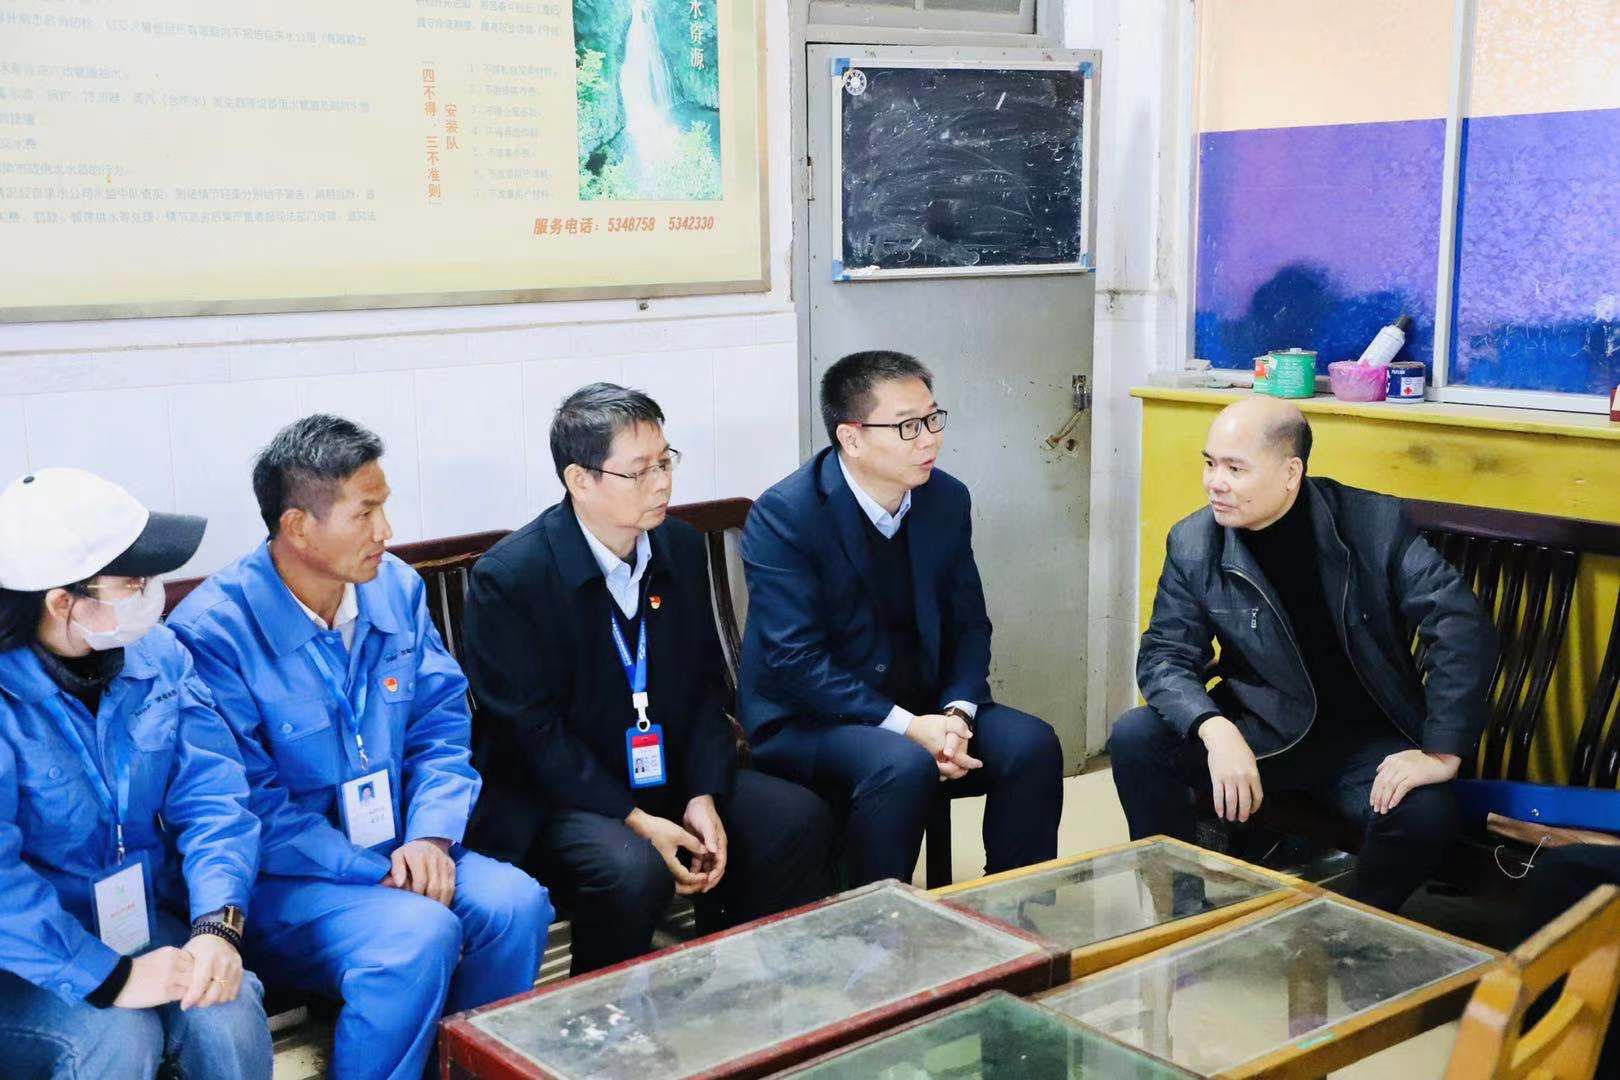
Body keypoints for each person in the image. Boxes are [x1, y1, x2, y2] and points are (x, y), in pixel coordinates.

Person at [168, 416, 551, 1080]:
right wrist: (371, 872)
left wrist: (430, 836)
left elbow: (440, 725)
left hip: (403, 849)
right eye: (365, 513)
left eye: (384, 507)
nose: (386, 531)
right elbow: (247, 806)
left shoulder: (395, 588)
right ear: (298, 527)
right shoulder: (214, 633)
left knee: (515, 905)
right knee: (415, 935)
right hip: (288, 883)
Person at [463, 383, 835, 974]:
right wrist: (636, 819)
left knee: (793, 819)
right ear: (580, 480)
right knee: (631, 868)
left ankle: (741, 983)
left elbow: (706, 688)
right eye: (640, 471)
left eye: (666, 462)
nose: (662, 483)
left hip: (667, 778)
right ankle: (603, 1015)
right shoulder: (512, 578)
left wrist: (702, 793)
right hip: (563, 799)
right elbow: (530, 736)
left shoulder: (676, 547)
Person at [1111, 396, 1496, 912]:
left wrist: (1441, 752)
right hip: (1261, 731)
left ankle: (1350, 931)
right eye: (1210, 463)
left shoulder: (1372, 524)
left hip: (1364, 743)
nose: (1214, 482)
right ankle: (1181, 911)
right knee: (1136, 737)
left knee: (1426, 814)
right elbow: (1164, 655)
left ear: (1290, 473)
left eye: (1234, 468)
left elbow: (1459, 624)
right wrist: (1214, 728)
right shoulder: (1194, 542)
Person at [737, 350, 1064, 887]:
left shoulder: (945, 498)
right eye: (908, 426)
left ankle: (1011, 911)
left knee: (1031, 745)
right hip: (809, 720)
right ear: (851, 438)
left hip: (925, 706)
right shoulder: (787, 515)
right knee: (902, 764)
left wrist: (957, 713)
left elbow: (969, 624)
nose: (929, 439)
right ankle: (871, 923)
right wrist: (910, 727)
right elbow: (795, 660)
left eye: (933, 419)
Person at [0, 468, 271, 1080]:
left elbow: (214, 798)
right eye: (134, 582)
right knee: (117, 1037)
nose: (153, 594)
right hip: (25, 956)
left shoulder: (158, 655)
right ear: (61, 601)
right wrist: (107, 977)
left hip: (135, 922)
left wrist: (217, 925)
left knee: (223, 1007)